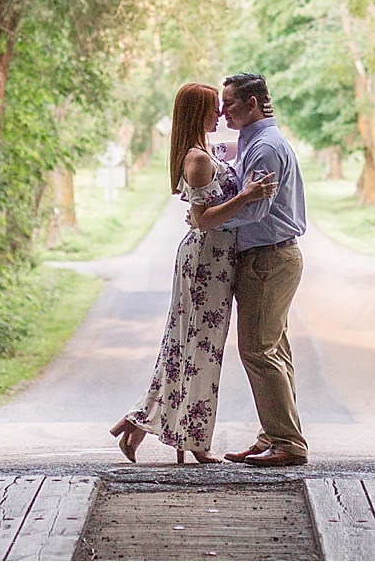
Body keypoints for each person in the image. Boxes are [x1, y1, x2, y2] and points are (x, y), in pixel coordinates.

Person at [111, 82, 275, 464]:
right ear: (196, 112)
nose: (220, 113)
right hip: (205, 262)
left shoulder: (207, 151)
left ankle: (140, 422)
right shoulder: (197, 159)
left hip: (217, 260)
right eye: (212, 108)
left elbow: (251, 148)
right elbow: (202, 220)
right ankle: (194, 440)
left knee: (185, 346)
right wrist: (247, 196)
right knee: (201, 350)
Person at [199, 72, 309, 467]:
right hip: (269, 256)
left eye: (229, 104)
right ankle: (273, 436)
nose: (223, 111)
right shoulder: (254, 141)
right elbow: (226, 161)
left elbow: (256, 208)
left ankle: (288, 443)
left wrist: (208, 219)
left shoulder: (265, 148)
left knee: (258, 351)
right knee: (274, 349)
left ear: (252, 105)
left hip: (268, 257)